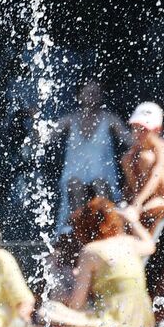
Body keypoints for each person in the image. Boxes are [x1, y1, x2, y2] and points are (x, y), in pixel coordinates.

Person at [40, 199, 156, 327]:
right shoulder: (128, 242)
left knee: (47, 310)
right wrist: (132, 220)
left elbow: (77, 304)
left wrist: (63, 293)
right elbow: (150, 246)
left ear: (83, 229)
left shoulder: (91, 251)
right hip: (141, 321)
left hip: (115, 323)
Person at [54, 81, 128, 235]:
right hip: (75, 172)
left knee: (99, 183)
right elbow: (46, 137)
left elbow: (129, 139)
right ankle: (78, 226)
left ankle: (106, 225)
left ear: (100, 96)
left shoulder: (109, 119)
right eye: (88, 93)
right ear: (79, 96)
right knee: (75, 184)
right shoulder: (70, 119)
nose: (91, 97)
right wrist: (35, 119)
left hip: (102, 173)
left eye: (95, 93)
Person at [120, 102, 164, 209]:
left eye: (143, 129)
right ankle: (141, 200)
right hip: (146, 194)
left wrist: (137, 203)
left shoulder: (162, 148)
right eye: (135, 128)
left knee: (146, 158)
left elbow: (156, 175)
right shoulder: (137, 149)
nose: (138, 133)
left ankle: (148, 201)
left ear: (157, 130)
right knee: (126, 159)